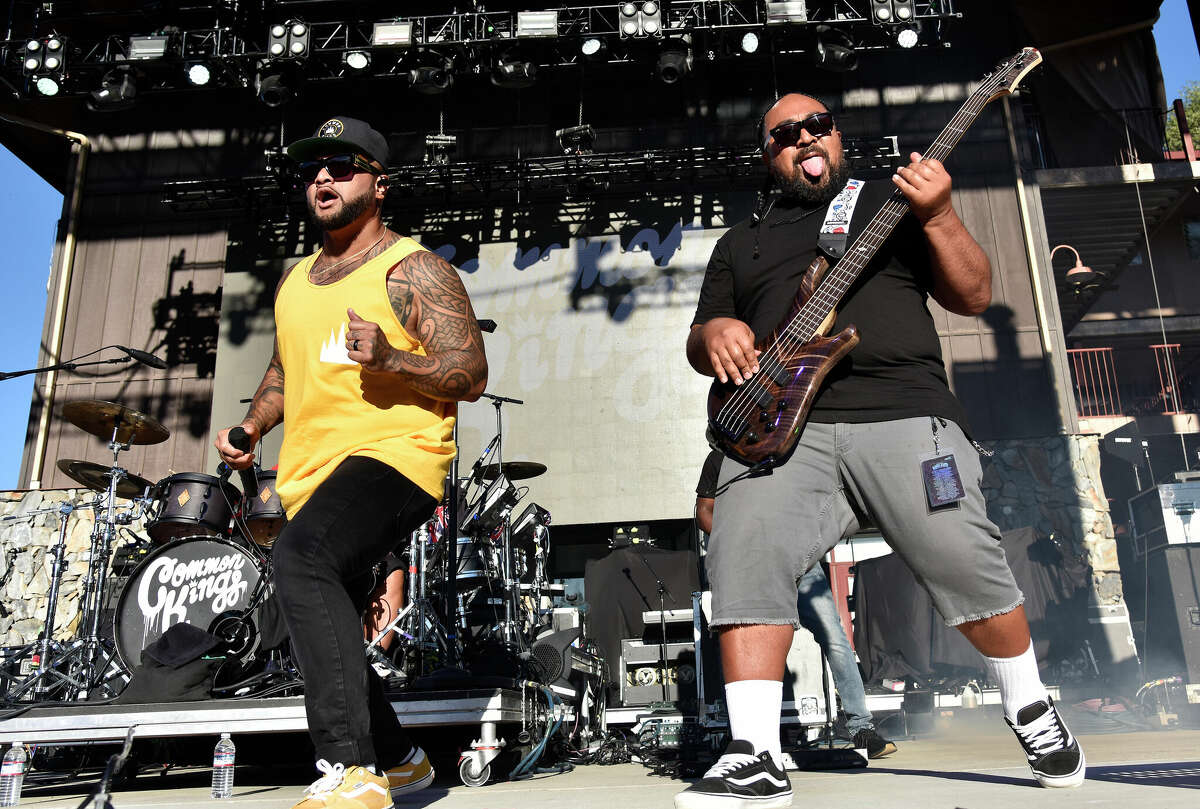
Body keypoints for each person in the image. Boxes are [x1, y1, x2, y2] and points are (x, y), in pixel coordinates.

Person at [675, 94, 1084, 809]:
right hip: (781, 434)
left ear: (837, 136)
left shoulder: (888, 204)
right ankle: (755, 754)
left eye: (818, 124)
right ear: (769, 154)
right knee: (742, 546)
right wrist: (712, 336)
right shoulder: (740, 244)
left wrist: (940, 214)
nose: (805, 136)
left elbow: (975, 293)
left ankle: (1028, 704)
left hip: (903, 408)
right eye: (785, 133)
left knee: (963, 556)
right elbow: (700, 335)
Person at [215, 115, 488, 809]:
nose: (323, 179)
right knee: (322, 610)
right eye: (312, 169)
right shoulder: (296, 280)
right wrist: (251, 423)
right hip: (314, 472)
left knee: (300, 561)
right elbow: (284, 366)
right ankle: (400, 760)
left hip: (398, 457)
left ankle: (350, 768)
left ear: (379, 182)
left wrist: (393, 357)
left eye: (341, 165)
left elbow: (470, 370)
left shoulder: (413, 268)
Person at [695, 449, 896, 760]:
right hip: (746, 562)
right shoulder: (719, 459)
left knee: (834, 637)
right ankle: (745, 738)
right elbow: (704, 511)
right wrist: (733, 540)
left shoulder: (785, 449)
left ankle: (861, 728)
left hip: (798, 561)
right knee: (740, 640)